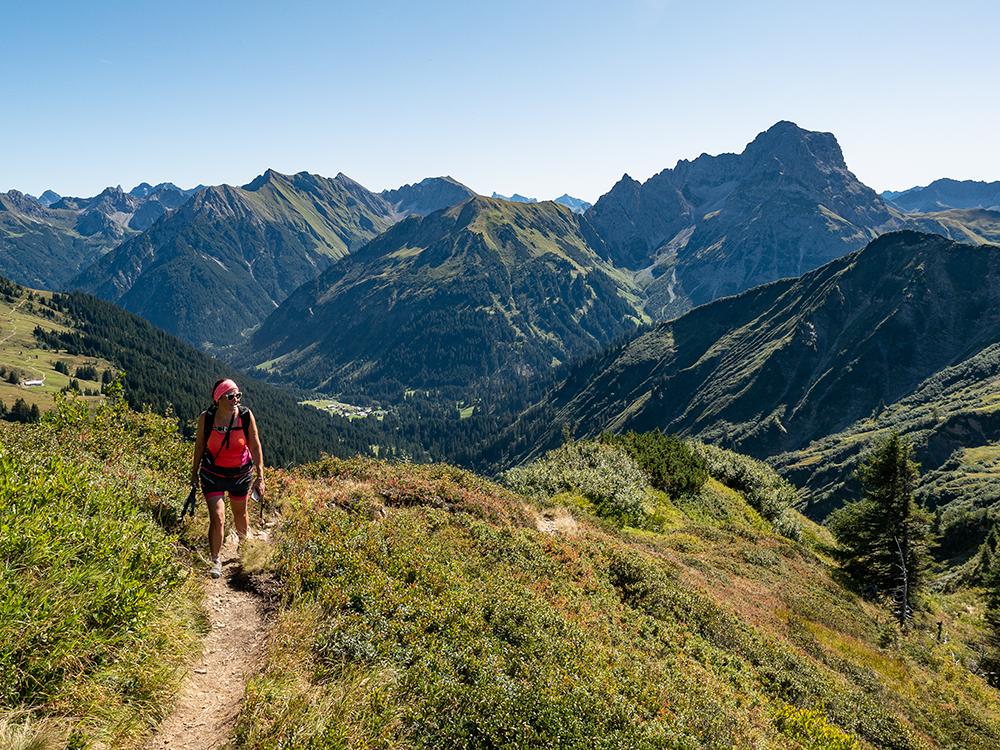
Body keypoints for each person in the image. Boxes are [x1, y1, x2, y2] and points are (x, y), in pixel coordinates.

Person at [190, 378, 265, 578]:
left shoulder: (246, 416)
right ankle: (215, 559)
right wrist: (194, 473)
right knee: (218, 517)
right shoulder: (207, 418)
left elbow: (255, 445)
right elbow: (199, 446)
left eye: (238, 395)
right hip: (213, 474)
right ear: (218, 399)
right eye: (230, 396)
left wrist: (260, 476)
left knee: (240, 514)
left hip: (241, 474)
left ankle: (243, 547)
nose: (236, 400)